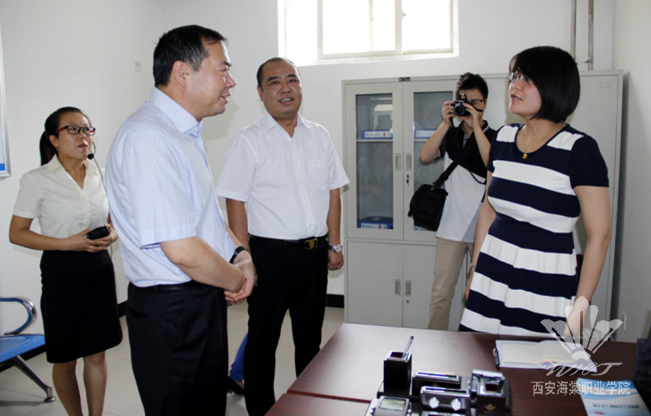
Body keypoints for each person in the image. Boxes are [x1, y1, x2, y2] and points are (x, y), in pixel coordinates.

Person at [104, 25, 255, 415]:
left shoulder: (182, 131)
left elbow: (204, 215)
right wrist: (236, 279)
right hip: (173, 310)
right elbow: (183, 250)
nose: (231, 82)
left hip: (199, 298)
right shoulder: (150, 138)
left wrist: (240, 253)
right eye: (223, 70)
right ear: (183, 73)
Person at [215, 57, 349, 416]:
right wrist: (243, 258)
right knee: (263, 342)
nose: (285, 88)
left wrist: (334, 243)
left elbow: (334, 192)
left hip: (314, 254)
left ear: (300, 86)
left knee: (310, 341)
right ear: (260, 93)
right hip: (268, 257)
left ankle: (308, 406)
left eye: (292, 79)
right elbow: (235, 202)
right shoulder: (248, 141)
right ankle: (262, 410)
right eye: (274, 82)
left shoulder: (319, 135)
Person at [460, 46, 611, 336]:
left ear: (555, 86)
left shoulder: (579, 150)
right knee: (477, 355)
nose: (514, 85)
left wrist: (580, 309)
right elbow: (489, 209)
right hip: (492, 272)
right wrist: (474, 270)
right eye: (514, 76)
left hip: (544, 281)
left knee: (532, 362)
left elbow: (599, 236)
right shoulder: (503, 139)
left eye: (526, 79)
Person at [9, 107, 122, 416]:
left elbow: (115, 221)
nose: (83, 136)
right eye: (73, 129)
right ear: (54, 139)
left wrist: (113, 234)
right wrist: (67, 243)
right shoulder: (36, 180)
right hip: (61, 273)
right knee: (65, 358)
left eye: (87, 129)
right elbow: (17, 234)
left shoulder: (102, 175)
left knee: (96, 355)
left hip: (99, 269)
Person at [419, 73, 495, 330]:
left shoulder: (496, 136)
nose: (470, 107)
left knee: (481, 294)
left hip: (484, 230)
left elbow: (491, 163)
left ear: (485, 103)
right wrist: (445, 124)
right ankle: (435, 342)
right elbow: (425, 156)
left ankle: (476, 344)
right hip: (451, 227)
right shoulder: (450, 135)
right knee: (440, 295)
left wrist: (477, 127)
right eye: (465, 101)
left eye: (476, 102)